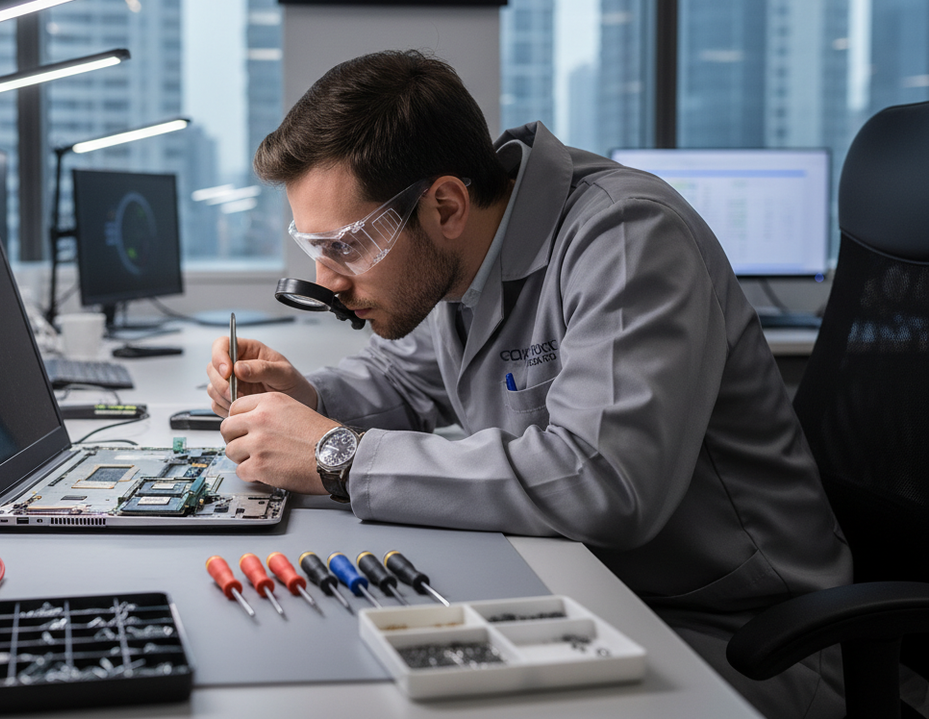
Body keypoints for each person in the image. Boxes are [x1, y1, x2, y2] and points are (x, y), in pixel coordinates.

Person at [207, 50, 851, 719]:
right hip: (585, 591)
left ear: (446, 205)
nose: (329, 280)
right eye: (315, 247)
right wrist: (303, 400)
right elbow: (404, 379)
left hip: (731, 633)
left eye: (345, 245)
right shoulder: (464, 255)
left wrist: (336, 456)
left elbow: (606, 483)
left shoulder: (626, 238)